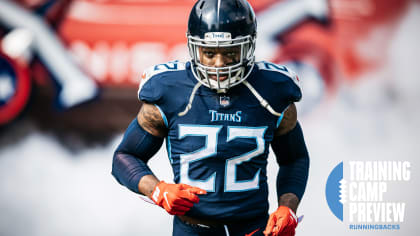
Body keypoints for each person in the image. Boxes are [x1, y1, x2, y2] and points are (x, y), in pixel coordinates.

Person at [112, 0, 310, 235]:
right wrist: (158, 189)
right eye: (208, 53)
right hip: (193, 229)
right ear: (194, 47)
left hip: (254, 229)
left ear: (249, 46)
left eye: (230, 52)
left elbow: (294, 159)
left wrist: (287, 208)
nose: (219, 64)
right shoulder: (170, 91)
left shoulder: (272, 91)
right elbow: (125, 157)